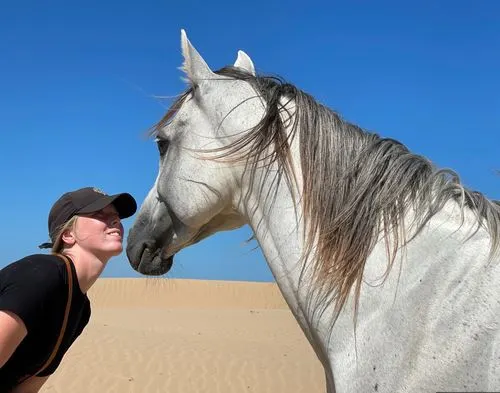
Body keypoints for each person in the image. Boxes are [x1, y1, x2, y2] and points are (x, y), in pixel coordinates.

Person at [0, 186, 137, 392]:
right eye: (99, 214)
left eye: (116, 216)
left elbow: (26, 387)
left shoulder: (80, 307)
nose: (115, 220)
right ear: (68, 234)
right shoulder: (42, 276)